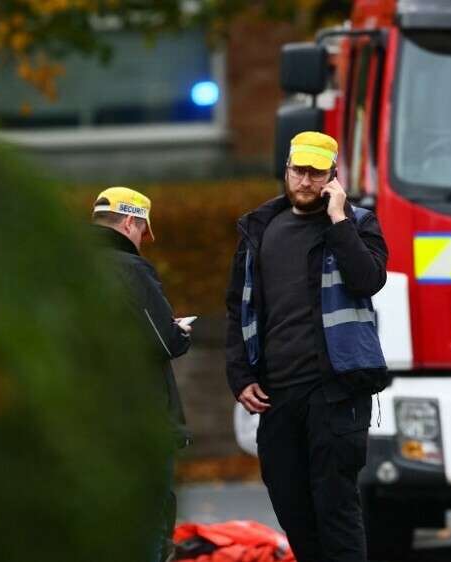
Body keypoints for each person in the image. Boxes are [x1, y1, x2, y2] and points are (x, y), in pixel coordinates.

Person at [224, 131, 389, 562]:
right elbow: (238, 308)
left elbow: (367, 279)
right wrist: (240, 375)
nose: (306, 180)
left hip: (335, 391)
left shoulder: (358, 224)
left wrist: (339, 221)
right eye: (299, 170)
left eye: (317, 173)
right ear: (287, 170)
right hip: (277, 394)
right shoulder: (260, 228)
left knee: (336, 508)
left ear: (333, 177)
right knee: (292, 508)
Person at [90, 186, 193, 562]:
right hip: (137, 424)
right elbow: (165, 341)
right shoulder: (130, 269)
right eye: (141, 231)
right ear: (130, 223)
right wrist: (179, 331)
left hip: (84, 424)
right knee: (147, 526)